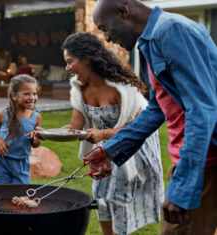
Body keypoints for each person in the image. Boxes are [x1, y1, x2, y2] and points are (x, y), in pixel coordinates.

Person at [87, 1, 217, 234]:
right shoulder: (150, 42)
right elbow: (159, 107)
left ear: (122, 11)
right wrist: (111, 149)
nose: (107, 39)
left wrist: (183, 187)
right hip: (191, 161)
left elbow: (202, 110)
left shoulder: (171, 32)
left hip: (206, 163)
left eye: (105, 28)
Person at [61, 32, 164, 235]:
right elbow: (75, 125)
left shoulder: (123, 89)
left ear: (87, 59)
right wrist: (44, 133)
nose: (67, 68)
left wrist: (103, 134)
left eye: (70, 61)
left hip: (132, 148)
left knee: (118, 198)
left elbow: (138, 129)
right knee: (100, 196)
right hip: (105, 148)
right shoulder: (79, 89)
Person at [0, 75, 42, 184]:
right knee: (2, 195)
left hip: (21, 163)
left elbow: (35, 144)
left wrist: (37, 139)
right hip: (2, 161)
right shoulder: (3, 114)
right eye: (27, 94)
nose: (32, 97)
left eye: (34, 93)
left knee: (20, 196)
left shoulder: (36, 117)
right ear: (14, 96)